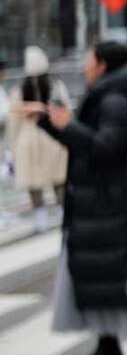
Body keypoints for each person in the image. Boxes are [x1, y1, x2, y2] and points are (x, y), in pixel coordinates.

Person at [32, 42, 127, 355]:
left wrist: (67, 124)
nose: (85, 63)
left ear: (102, 65)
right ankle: (108, 344)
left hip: (113, 207)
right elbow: (86, 144)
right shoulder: (106, 97)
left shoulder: (113, 101)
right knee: (99, 278)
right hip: (100, 205)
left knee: (122, 277)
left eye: (89, 58)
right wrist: (50, 122)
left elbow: (104, 148)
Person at [6, 46, 70, 232]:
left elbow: (13, 122)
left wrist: (12, 146)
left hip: (28, 139)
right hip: (53, 138)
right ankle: (62, 213)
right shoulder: (56, 87)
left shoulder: (19, 91)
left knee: (34, 183)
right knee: (58, 180)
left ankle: (40, 219)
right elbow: (66, 112)